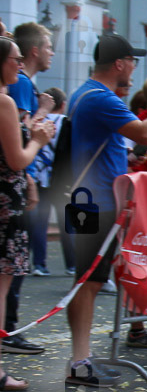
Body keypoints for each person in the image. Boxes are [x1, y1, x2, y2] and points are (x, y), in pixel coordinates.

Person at [64, 34, 147, 385]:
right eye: (133, 60)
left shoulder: (86, 93)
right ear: (119, 63)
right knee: (88, 281)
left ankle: (82, 358)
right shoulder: (100, 98)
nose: (134, 67)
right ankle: (80, 361)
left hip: (88, 198)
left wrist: (127, 159)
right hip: (96, 202)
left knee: (89, 280)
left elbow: (99, 144)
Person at [0, 36, 55, 389]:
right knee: (1, 286)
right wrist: (38, 139)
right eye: (15, 59)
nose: (20, 65)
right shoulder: (4, 102)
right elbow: (17, 158)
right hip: (5, 202)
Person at [27, 87, 75, 282]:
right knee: (68, 223)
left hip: (40, 178)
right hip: (61, 179)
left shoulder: (37, 122)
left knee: (40, 222)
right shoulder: (68, 124)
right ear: (63, 105)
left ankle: (40, 264)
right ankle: (72, 264)